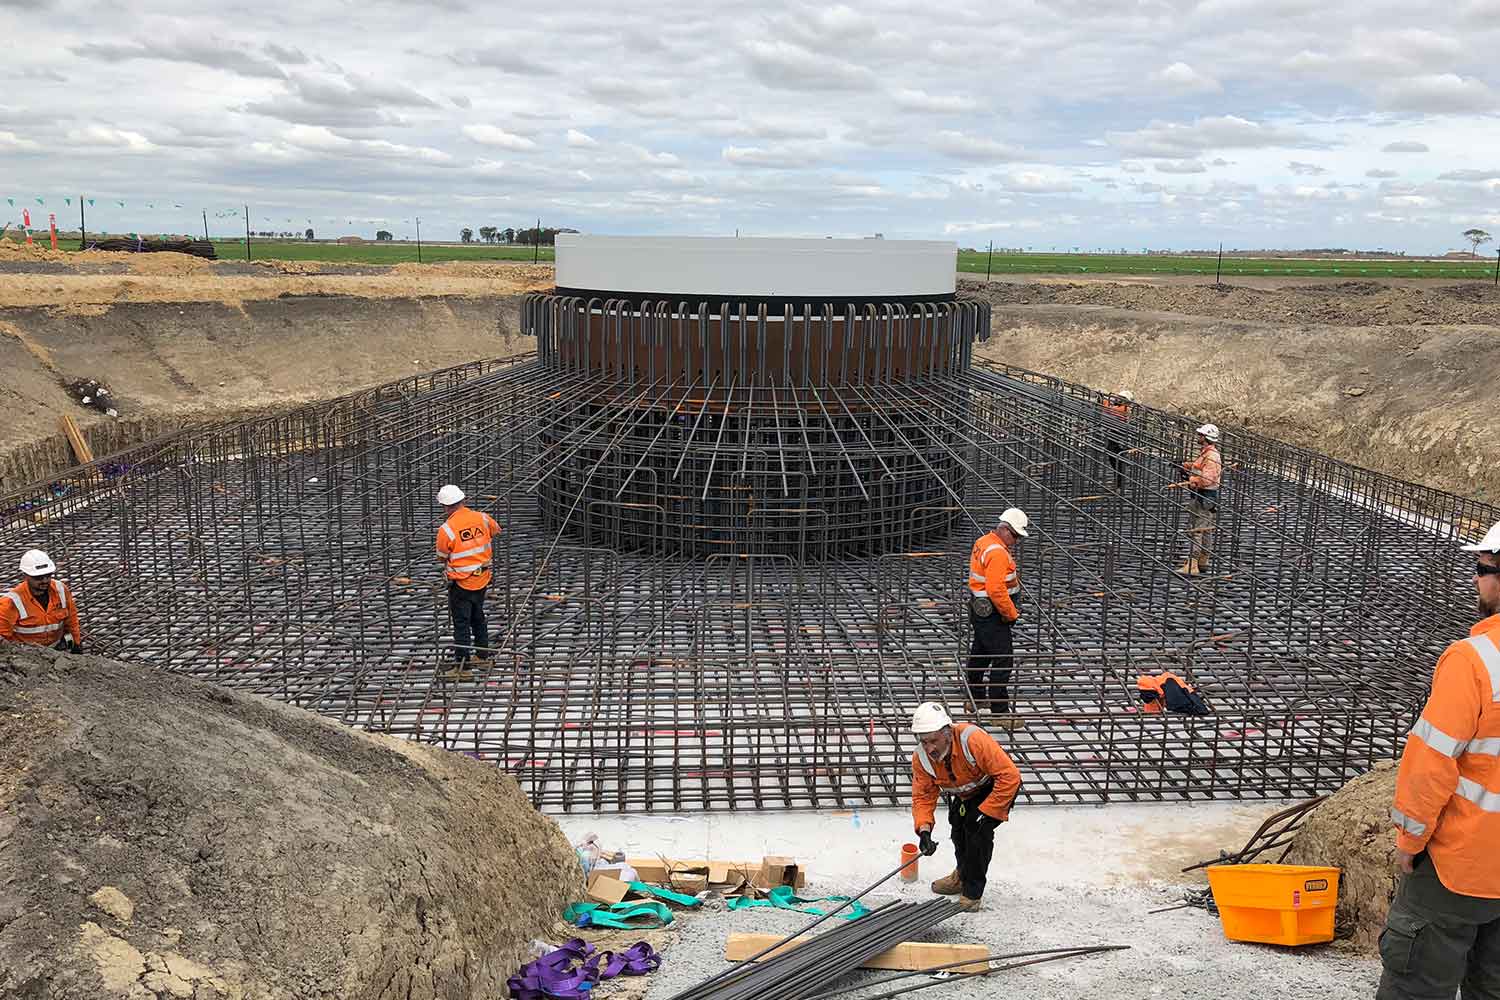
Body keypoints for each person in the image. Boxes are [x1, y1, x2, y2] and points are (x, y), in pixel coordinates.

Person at [1377, 521, 1500, 1000]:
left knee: (1417, 985)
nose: (1475, 579)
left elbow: (1431, 762)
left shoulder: (1474, 660)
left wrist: (1410, 839)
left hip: (1460, 863)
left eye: (1482, 568)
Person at [909, 701, 1023, 912]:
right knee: (959, 832)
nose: (929, 748)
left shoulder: (972, 739)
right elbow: (923, 796)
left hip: (994, 787)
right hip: (964, 795)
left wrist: (988, 813)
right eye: (924, 742)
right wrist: (924, 831)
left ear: (947, 733)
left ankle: (972, 893)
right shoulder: (922, 758)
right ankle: (961, 875)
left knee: (977, 835)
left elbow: (1010, 776)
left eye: (933, 740)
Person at [967, 508, 1029, 717]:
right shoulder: (997, 552)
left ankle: (975, 697)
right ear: (1004, 529)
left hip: (981, 610)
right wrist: (1011, 613)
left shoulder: (984, 541)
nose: (1017, 541)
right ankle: (999, 712)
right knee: (1003, 659)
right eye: (1015, 535)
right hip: (993, 613)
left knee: (981, 654)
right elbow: (996, 589)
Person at [435, 484, 501, 678]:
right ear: (463, 501)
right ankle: (482, 655)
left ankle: (463, 668)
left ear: (446, 507)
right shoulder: (483, 518)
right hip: (482, 578)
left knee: (461, 623)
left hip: (461, 583)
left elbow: (441, 556)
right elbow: (496, 530)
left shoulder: (446, 529)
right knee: (478, 616)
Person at [0, 549, 82, 653]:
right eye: (38, 577)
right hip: (28, 656)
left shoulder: (61, 590)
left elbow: (71, 621)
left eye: (48, 575)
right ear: (25, 576)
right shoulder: (10, 603)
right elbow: (2, 639)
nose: (45, 581)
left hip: (56, 651)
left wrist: (76, 643)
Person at [1177, 423, 1223, 576]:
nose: (1198, 437)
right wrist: (1184, 465)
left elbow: (1206, 479)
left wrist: (1190, 478)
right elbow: (1198, 467)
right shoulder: (1207, 453)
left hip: (1204, 496)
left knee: (1197, 529)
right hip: (1202, 495)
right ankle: (1203, 560)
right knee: (1205, 528)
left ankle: (1193, 564)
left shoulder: (1212, 456)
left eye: (1201, 435)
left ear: (1207, 438)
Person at [1101, 390, 1133, 490]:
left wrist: (1105, 403)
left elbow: (1110, 412)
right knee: (1112, 456)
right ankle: (1118, 482)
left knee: (1116, 458)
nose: (1117, 399)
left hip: (1118, 435)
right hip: (1113, 434)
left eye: (1121, 399)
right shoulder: (1119, 407)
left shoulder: (1124, 409)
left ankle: (1119, 484)